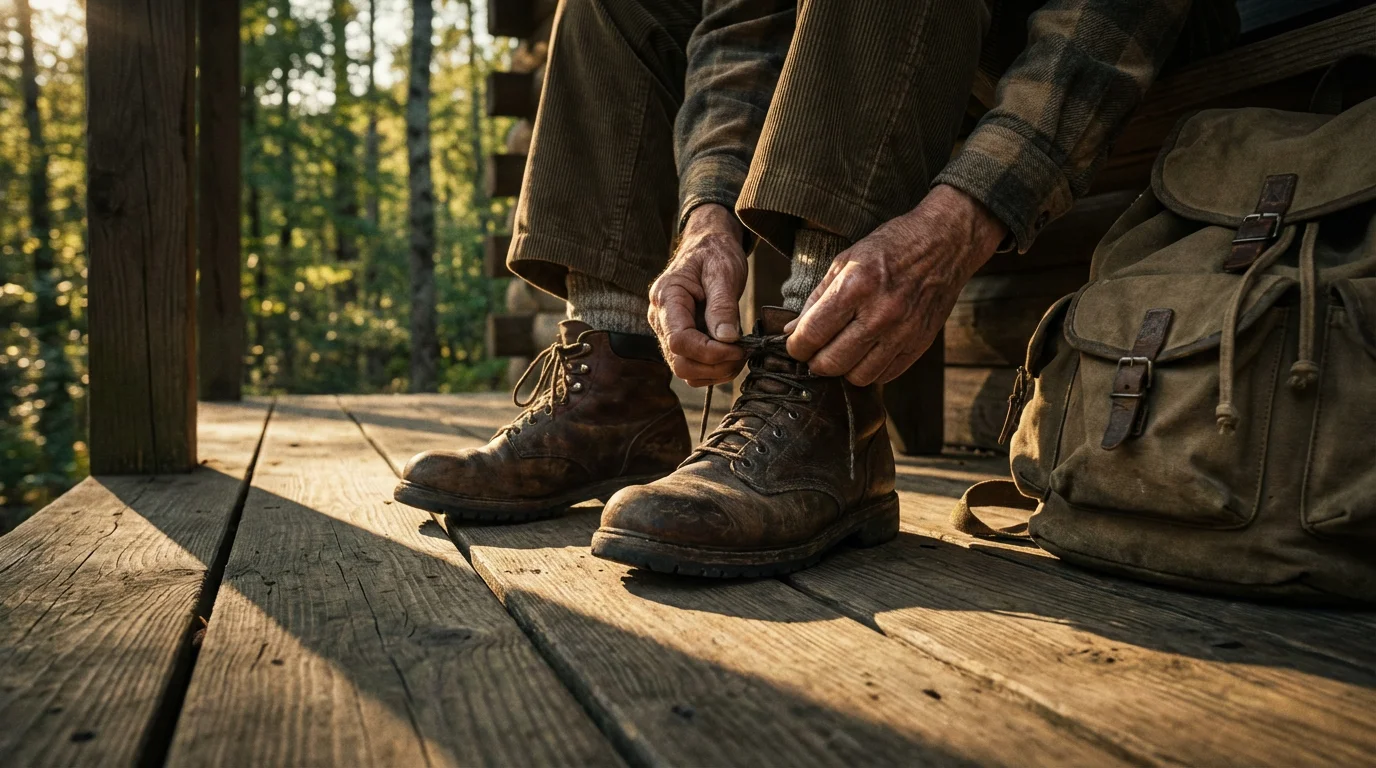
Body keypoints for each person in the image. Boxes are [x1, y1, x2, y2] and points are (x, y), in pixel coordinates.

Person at [394, 0, 1238, 576]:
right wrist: (707, 214)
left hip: (1103, 37)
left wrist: (968, 211)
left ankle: (824, 394)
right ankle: (613, 387)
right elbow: (743, 19)